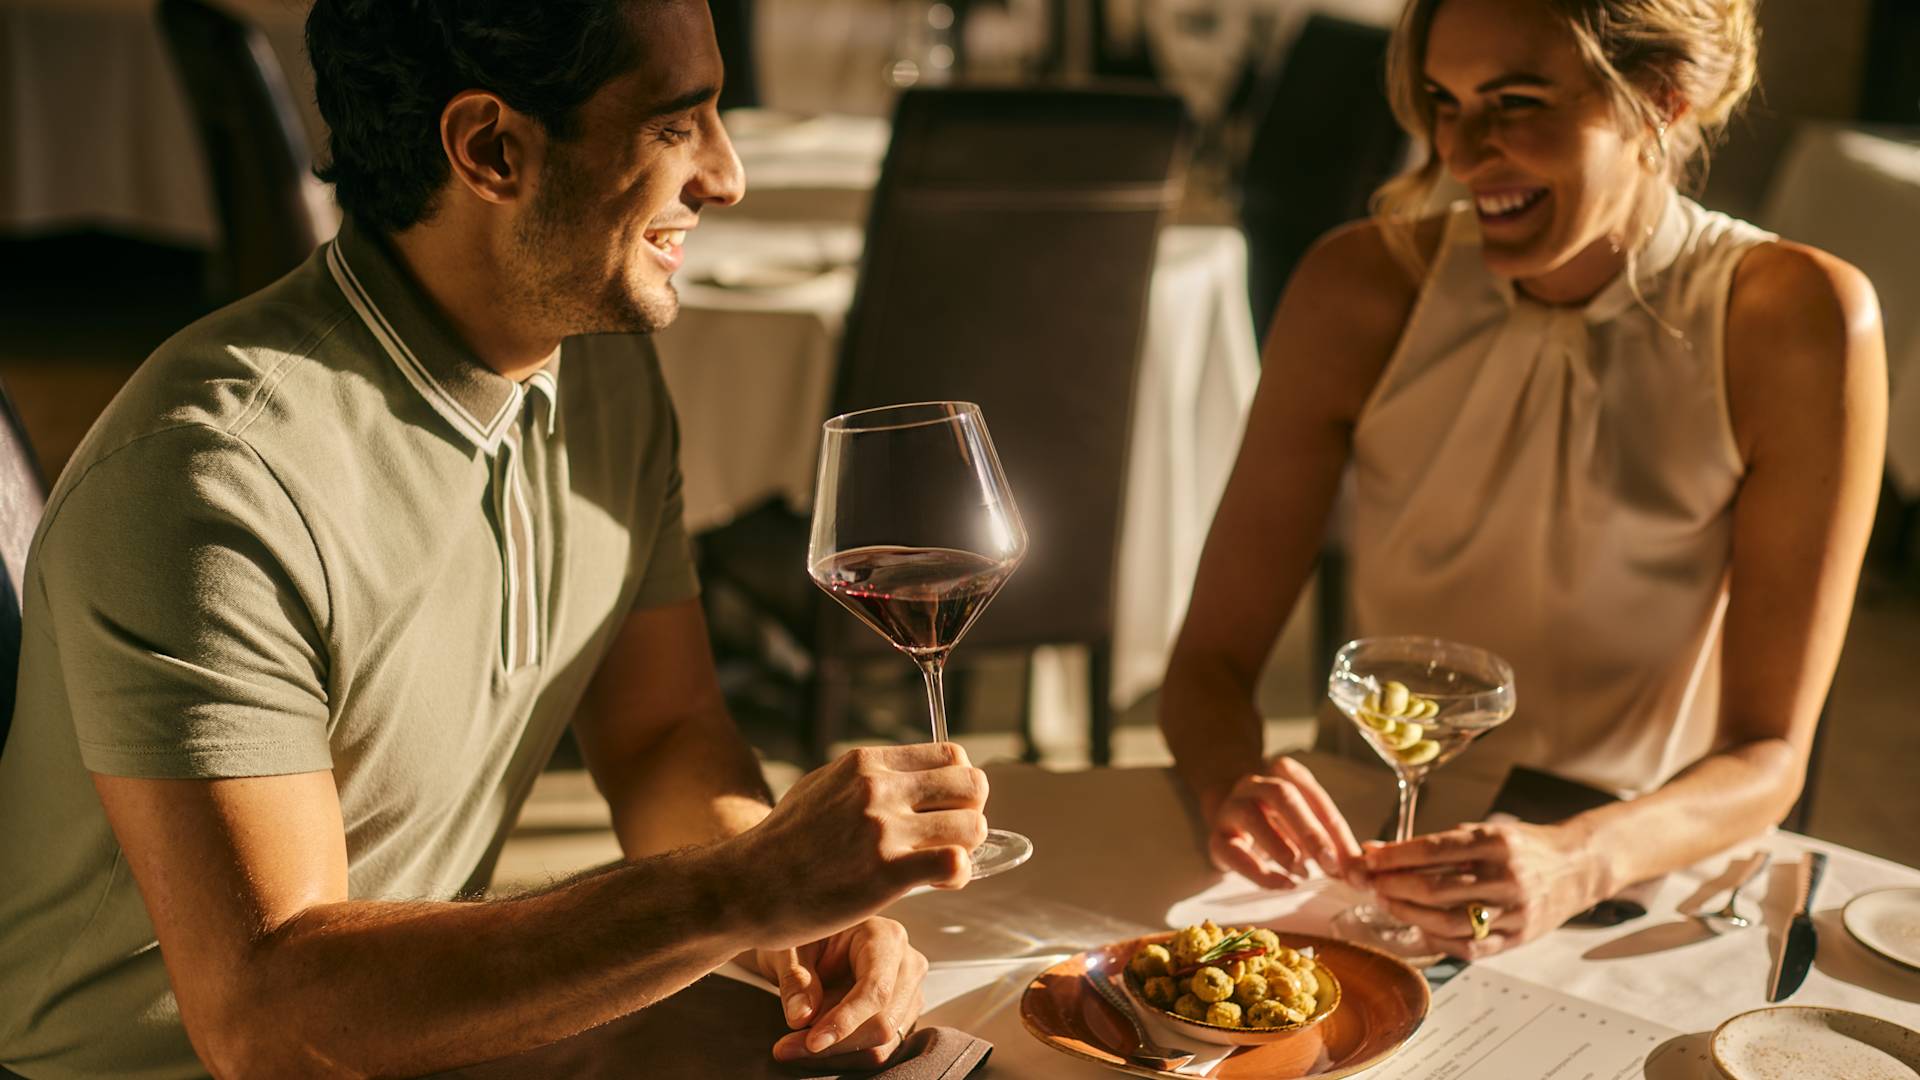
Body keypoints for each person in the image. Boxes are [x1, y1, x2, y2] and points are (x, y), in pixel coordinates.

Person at [0, 1, 990, 1076]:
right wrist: (737, 891)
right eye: (676, 125)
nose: (725, 175)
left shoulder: (600, 367)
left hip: (423, 1036)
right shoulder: (212, 480)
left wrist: (792, 921)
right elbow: (262, 1015)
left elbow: (663, 735)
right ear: (491, 150)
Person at [1160, 0, 1886, 959]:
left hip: (1636, 870)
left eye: (1517, 101)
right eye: (1444, 102)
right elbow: (1205, 672)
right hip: (1373, 858)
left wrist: (1578, 859)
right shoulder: (1361, 289)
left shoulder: (1795, 318)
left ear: (1661, 98)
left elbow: (1770, 756)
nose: (1463, 152)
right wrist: (1231, 783)